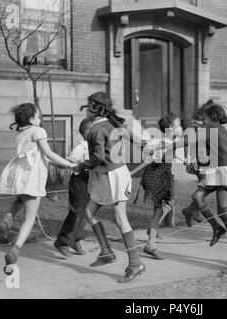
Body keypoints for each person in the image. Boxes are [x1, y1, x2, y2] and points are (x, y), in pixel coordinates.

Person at [74, 91, 146, 282]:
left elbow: (97, 157)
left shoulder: (96, 130)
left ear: (95, 109)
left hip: (112, 176)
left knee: (120, 218)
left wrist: (81, 165)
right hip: (110, 175)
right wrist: (145, 144)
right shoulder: (113, 123)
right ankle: (106, 252)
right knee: (89, 213)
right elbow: (128, 134)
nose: (86, 110)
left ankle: (135, 263)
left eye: (88, 106)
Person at [0, 103, 76, 274]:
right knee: (29, 218)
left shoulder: (21, 134)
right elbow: (48, 153)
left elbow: (38, 155)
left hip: (21, 175)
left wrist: (59, 164)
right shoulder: (38, 131)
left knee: (19, 200)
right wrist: (69, 164)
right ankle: (15, 250)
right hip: (32, 178)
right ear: (32, 119)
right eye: (39, 116)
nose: (40, 119)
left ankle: (6, 220)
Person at [192, 104, 227, 249]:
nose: (203, 120)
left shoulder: (209, 129)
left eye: (205, 117)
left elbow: (189, 141)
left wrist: (171, 147)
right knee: (197, 197)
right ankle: (217, 228)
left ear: (212, 117)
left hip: (223, 171)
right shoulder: (225, 132)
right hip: (218, 169)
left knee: (222, 211)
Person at [139, 113, 182, 260]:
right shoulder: (164, 142)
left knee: (169, 204)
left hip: (163, 177)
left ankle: (153, 227)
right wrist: (133, 171)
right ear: (171, 128)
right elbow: (153, 159)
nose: (181, 128)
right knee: (158, 211)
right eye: (178, 125)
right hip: (156, 178)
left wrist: (185, 160)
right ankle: (150, 245)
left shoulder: (170, 141)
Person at [53, 119, 92, 257]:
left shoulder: (95, 146)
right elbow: (69, 161)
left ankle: (75, 240)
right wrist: (61, 163)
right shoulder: (82, 147)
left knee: (86, 213)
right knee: (76, 213)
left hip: (91, 183)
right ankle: (62, 241)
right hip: (79, 183)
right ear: (87, 132)